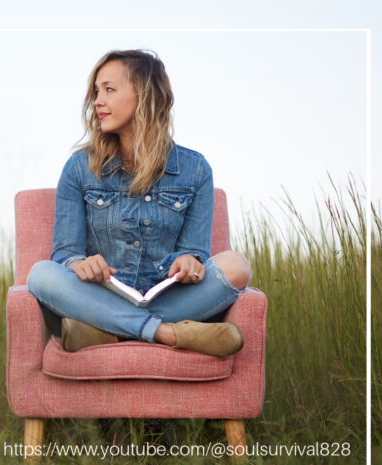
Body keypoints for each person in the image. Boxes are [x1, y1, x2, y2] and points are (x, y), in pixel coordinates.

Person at [26, 49, 253, 357]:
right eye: (96, 92)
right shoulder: (79, 167)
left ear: (144, 95)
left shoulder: (196, 169)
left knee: (237, 266)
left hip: (167, 297)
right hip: (103, 295)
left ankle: (109, 332)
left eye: (109, 89)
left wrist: (189, 262)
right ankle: (165, 332)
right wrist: (81, 264)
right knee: (41, 274)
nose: (97, 102)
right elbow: (66, 254)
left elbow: (195, 252)